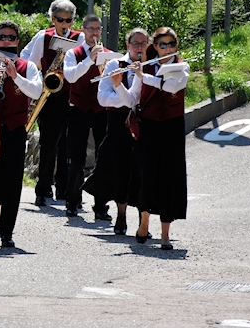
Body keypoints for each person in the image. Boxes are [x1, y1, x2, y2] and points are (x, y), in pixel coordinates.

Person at [117, 27, 189, 250]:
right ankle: (144, 221)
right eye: (162, 45)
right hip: (148, 127)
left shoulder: (181, 67)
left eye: (171, 44)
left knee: (169, 177)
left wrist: (143, 76)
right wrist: (118, 84)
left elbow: (173, 86)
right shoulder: (146, 67)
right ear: (155, 47)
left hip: (172, 127)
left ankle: (165, 234)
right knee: (146, 175)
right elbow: (132, 100)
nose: (167, 49)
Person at [0, 21, 42, 247]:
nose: (6, 41)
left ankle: (7, 232)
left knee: (13, 182)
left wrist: (15, 76)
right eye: (2, 37)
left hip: (15, 129)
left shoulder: (28, 66)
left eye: (11, 38)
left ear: (17, 42)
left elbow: (35, 91)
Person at [83, 28, 150, 235]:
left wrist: (124, 95)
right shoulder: (114, 65)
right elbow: (102, 98)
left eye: (143, 43)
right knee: (120, 172)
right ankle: (121, 216)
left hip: (144, 126)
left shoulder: (153, 66)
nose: (139, 47)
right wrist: (126, 99)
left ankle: (142, 222)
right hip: (118, 126)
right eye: (135, 43)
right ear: (128, 45)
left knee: (142, 173)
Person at [21, 0, 83, 207]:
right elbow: (27, 58)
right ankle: (43, 188)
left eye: (68, 20)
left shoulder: (79, 38)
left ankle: (63, 189)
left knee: (67, 144)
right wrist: (38, 76)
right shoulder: (43, 37)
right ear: (52, 18)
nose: (64, 24)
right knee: (49, 143)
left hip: (71, 94)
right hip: (50, 94)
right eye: (60, 20)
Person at [62, 14, 111, 219]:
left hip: (101, 110)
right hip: (79, 109)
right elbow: (71, 76)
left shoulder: (109, 54)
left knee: (104, 158)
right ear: (83, 30)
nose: (95, 33)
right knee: (77, 158)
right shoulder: (73, 53)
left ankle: (100, 206)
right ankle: (72, 202)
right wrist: (90, 60)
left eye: (98, 29)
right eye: (91, 29)